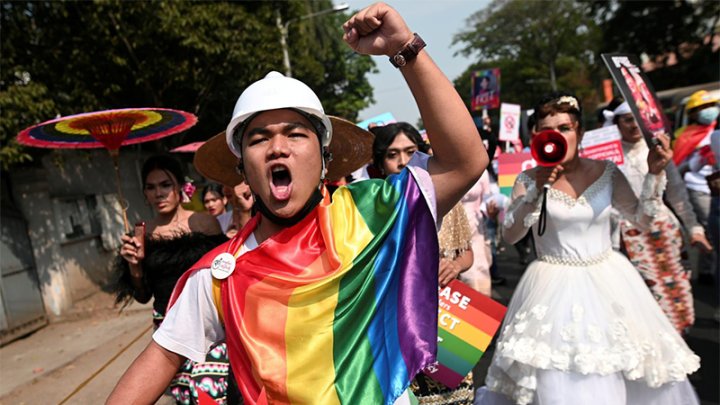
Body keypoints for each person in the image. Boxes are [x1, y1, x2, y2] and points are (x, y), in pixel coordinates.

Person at [107, 3, 488, 404]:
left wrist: (405, 49)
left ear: (325, 159)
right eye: (258, 139)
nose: (277, 149)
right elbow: (163, 355)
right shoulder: (221, 275)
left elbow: (466, 161)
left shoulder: (374, 215)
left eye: (295, 134)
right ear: (242, 168)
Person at [477, 93, 700, 405]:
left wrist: (654, 173)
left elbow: (643, 220)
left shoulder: (606, 171)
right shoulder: (527, 179)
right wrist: (534, 194)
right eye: (546, 130)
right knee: (559, 378)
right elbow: (511, 236)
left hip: (610, 282)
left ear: (579, 132)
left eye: (565, 127)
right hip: (551, 287)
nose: (556, 135)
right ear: (536, 137)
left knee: (625, 369)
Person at [371, 122, 476, 404]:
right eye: (392, 155)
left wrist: (454, 266)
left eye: (410, 152)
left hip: (446, 314)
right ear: (380, 163)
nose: (402, 161)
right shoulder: (371, 207)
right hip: (395, 315)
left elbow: (467, 254)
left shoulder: (446, 200)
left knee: (455, 395)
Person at [114, 155, 230, 404]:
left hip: (208, 323)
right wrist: (134, 266)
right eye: (151, 187)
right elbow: (142, 295)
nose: (159, 193)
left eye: (165, 185)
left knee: (211, 392)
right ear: (144, 193)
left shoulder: (203, 223)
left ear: (179, 187)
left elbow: (225, 271)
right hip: (168, 328)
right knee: (185, 396)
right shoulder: (141, 235)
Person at [605, 101, 712, 334]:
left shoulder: (657, 150)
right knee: (638, 297)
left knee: (676, 296)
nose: (633, 125)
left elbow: (677, 193)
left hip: (663, 233)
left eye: (637, 119)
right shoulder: (606, 156)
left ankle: (678, 349)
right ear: (616, 123)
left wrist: (694, 229)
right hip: (625, 235)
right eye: (627, 119)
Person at [673, 90, 719, 284]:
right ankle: (710, 273)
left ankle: (708, 269)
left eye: (711, 106)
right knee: (710, 231)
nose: (708, 111)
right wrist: (703, 156)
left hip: (715, 189)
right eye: (702, 108)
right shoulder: (684, 136)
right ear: (692, 114)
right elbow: (682, 166)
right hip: (698, 187)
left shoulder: (716, 129)